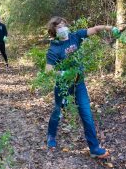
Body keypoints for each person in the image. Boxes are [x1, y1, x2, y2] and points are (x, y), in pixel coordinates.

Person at [45, 16, 120, 158]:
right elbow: (48, 71)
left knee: (87, 114)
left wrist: (112, 29)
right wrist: (64, 73)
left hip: (79, 84)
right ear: (54, 31)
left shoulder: (76, 36)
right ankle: (51, 136)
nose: (62, 29)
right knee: (57, 111)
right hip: (63, 86)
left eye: (63, 25)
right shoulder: (54, 49)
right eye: (58, 27)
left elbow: (96, 29)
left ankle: (94, 148)